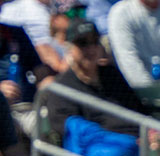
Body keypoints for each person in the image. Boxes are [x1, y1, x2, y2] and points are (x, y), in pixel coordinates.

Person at [39, 18, 147, 148]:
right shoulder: (62, 88)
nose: (90, 49)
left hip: (139, 145)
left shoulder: (111, 74)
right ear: (69, 48)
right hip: (104, 153)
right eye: (83, 43)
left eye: (95, 42)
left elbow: (137, 112)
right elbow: (73, 136)